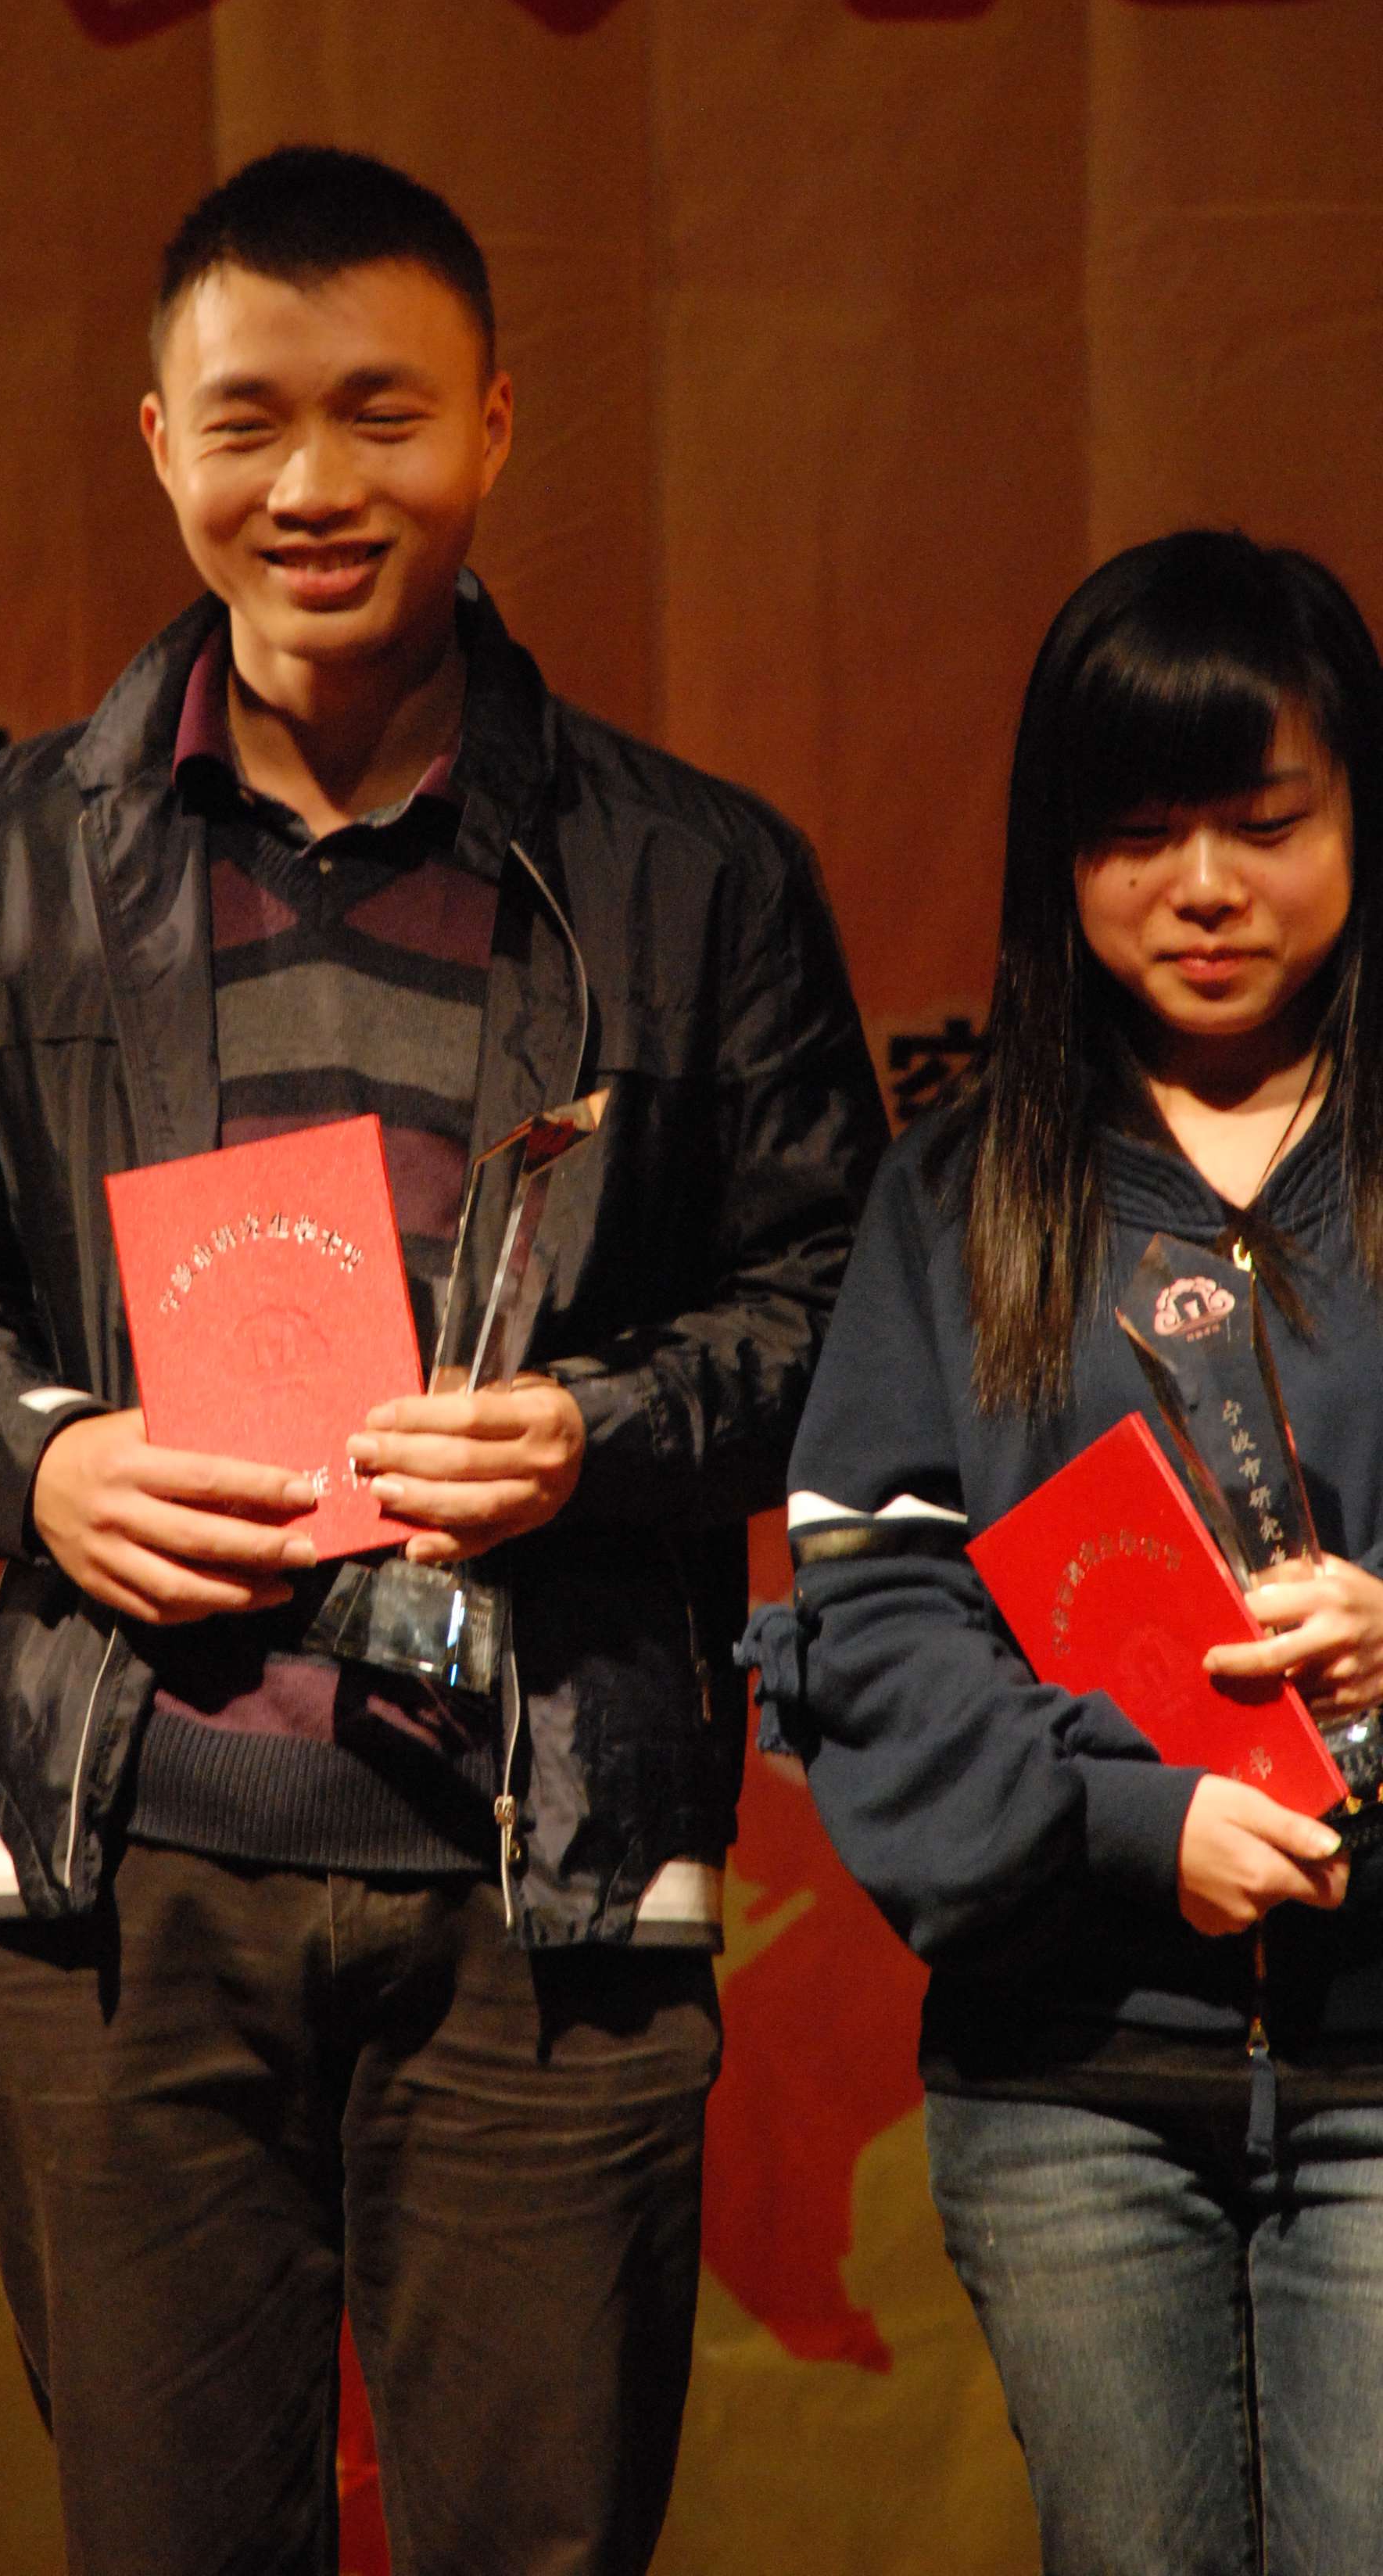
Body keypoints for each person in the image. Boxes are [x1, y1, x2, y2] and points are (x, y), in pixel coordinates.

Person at [0, 144, 885, 2576]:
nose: (313, 484)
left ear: (494, 427)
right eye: (250, 421)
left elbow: (832, 1308)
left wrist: (595, 1433)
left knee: (539, 2541)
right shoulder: (1, 859)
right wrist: (47, 1463)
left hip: (547, 1875)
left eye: (381, 414)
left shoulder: (691, 874)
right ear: (157, 444)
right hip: (129, 1867)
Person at [748, 530, 1383, 2576]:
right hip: (1070, 2082)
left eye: (1266, 825)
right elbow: (874, 1620)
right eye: (1136, 836)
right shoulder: (960, 1197)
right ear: (1058, 860)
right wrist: (1131, 1821)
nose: (1204, 886)